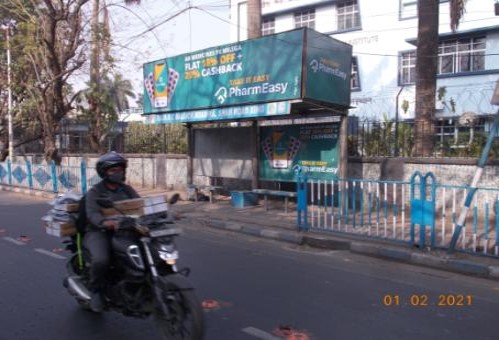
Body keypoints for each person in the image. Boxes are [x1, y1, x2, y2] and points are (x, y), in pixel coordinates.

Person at [84, 151, 140, 313]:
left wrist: (162, 213)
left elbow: (140, 205)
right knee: (101, 259)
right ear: (104, 173)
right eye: (113, 170)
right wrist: (104, 222)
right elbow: (92, 214)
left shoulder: (127, 190)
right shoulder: (95, 192)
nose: (118, 173)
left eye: (120, 169)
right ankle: (96, 291)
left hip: (125, 228)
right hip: (99, 231)